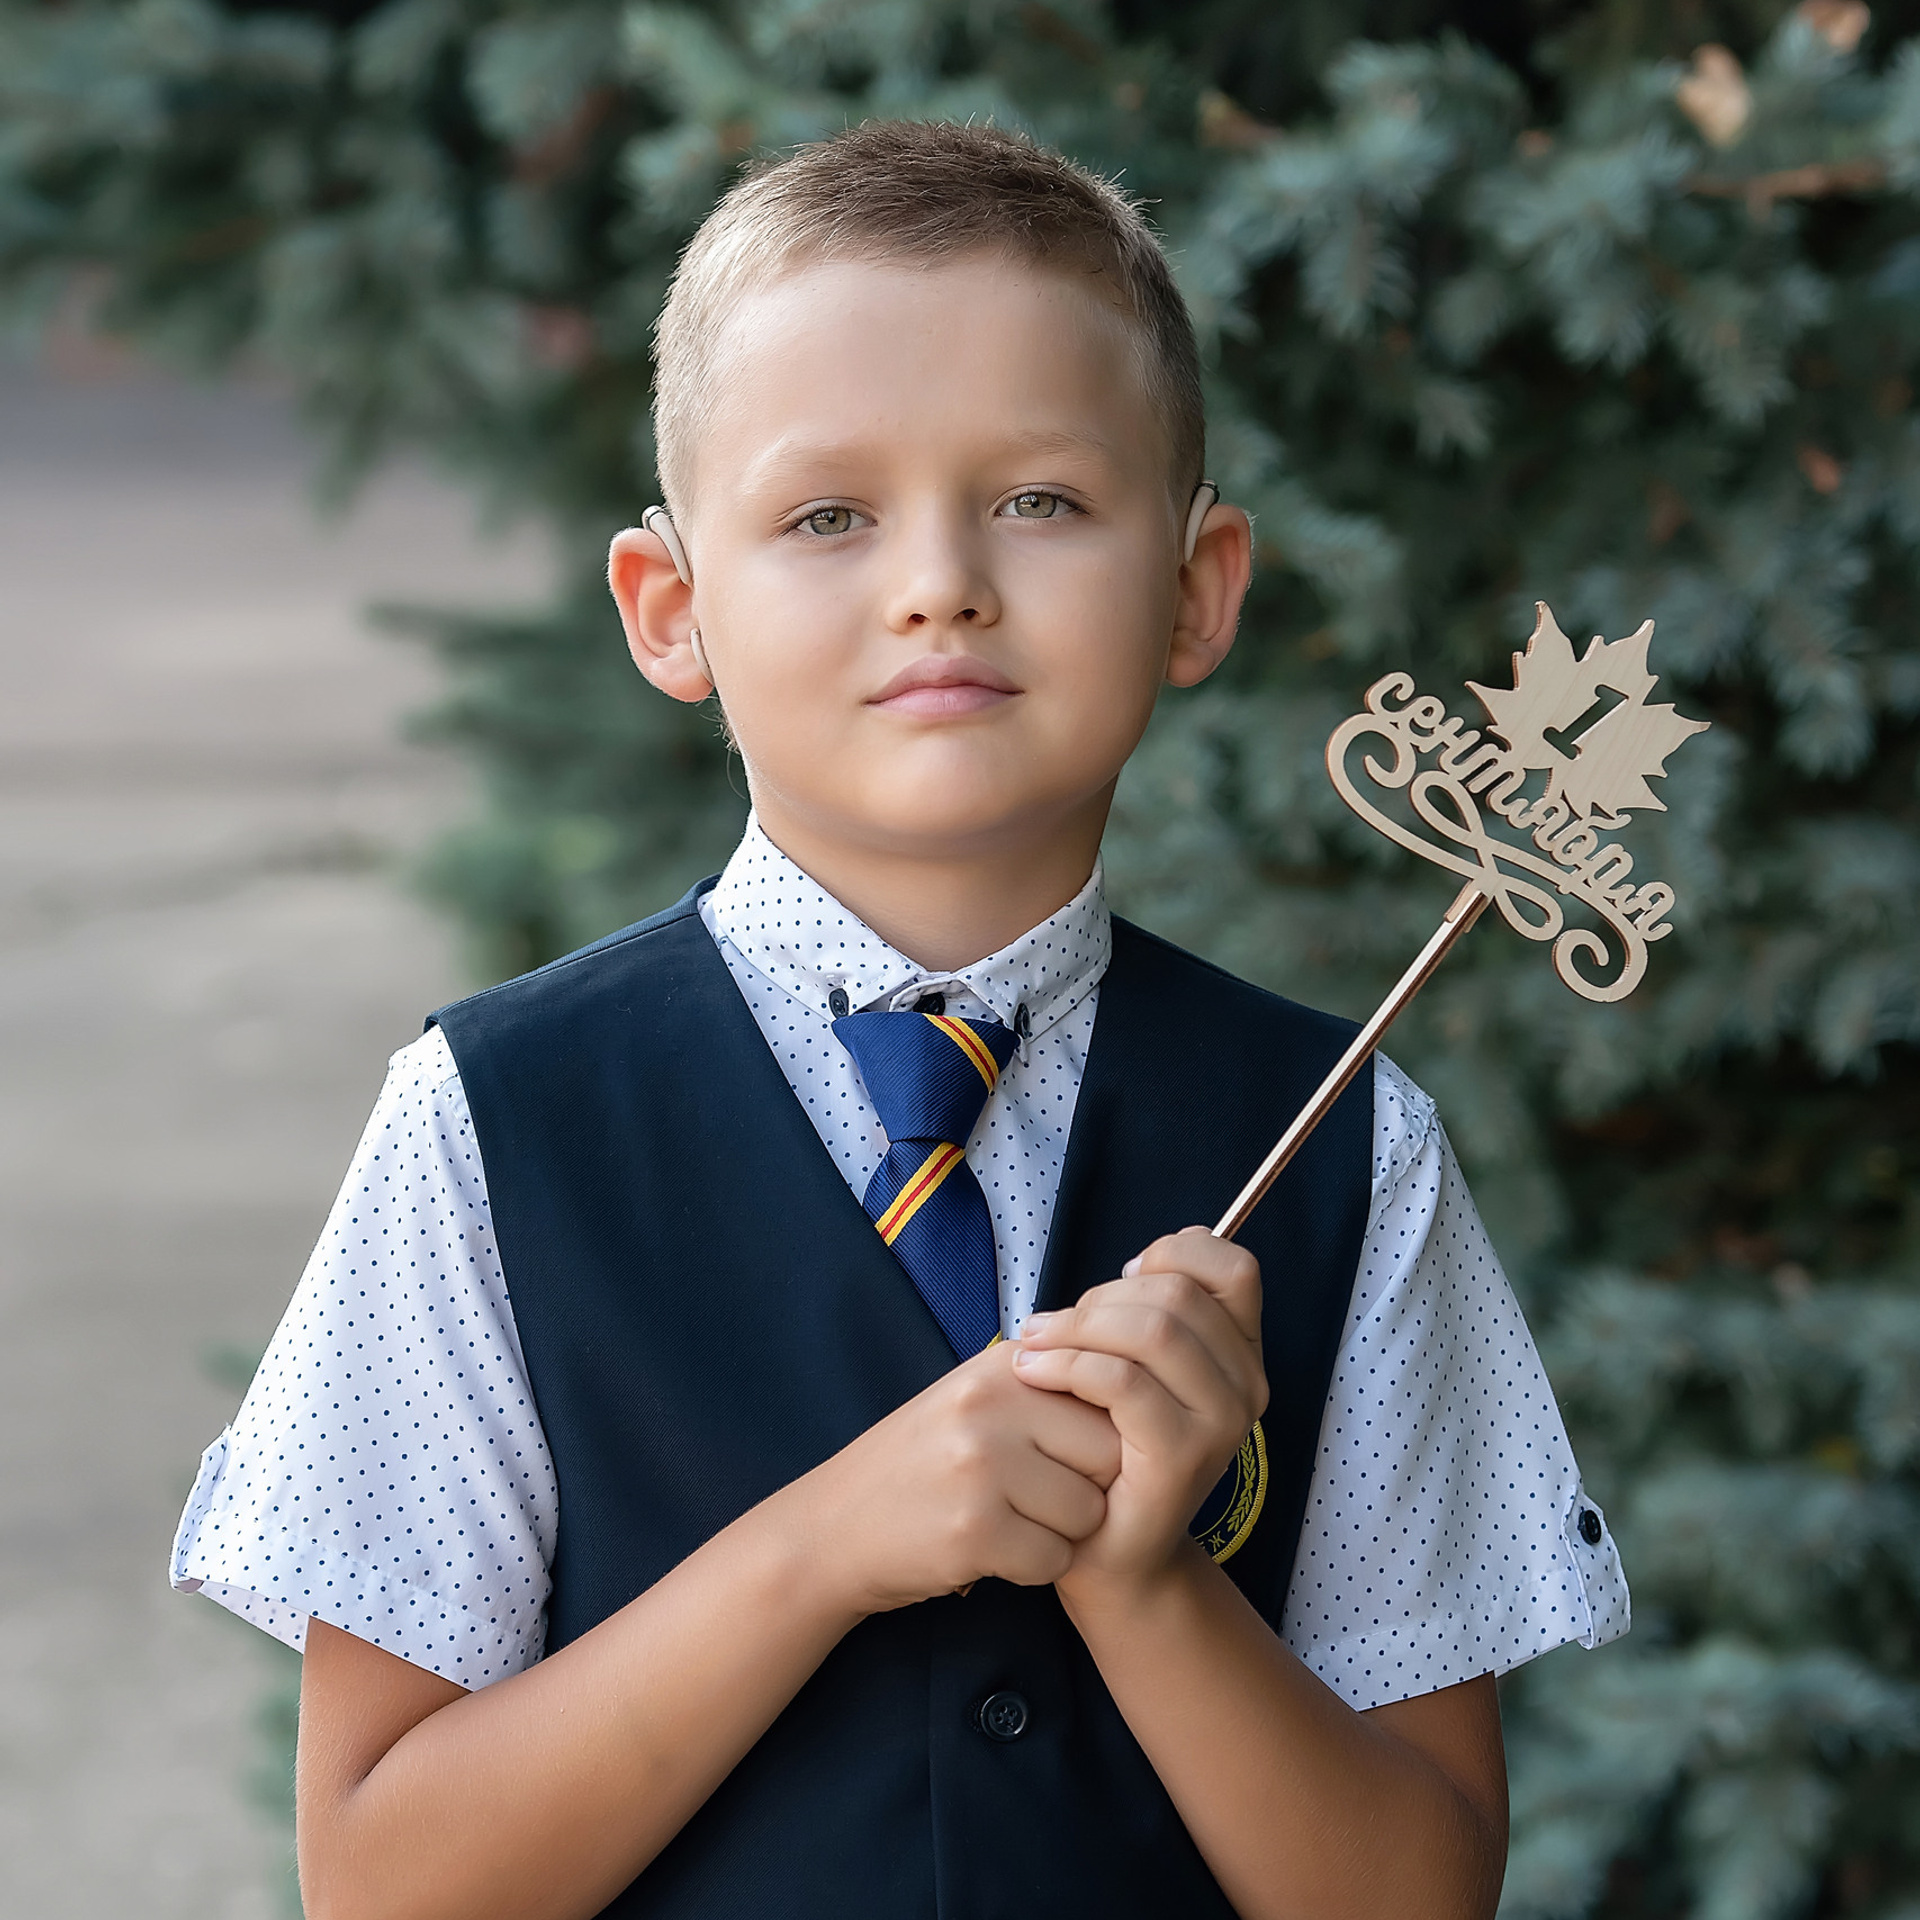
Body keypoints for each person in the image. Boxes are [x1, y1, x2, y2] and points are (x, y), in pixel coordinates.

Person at [171, 120, 1628, 1920]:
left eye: (1041, 500)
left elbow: (1414, 1897)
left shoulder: (1345, 1144)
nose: (940, 580)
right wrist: (824, 1545)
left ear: (1196, 590)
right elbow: (381, 1887)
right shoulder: (491, 1124)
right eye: (828, 516)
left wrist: (1146, 1584)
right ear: (670, 611)